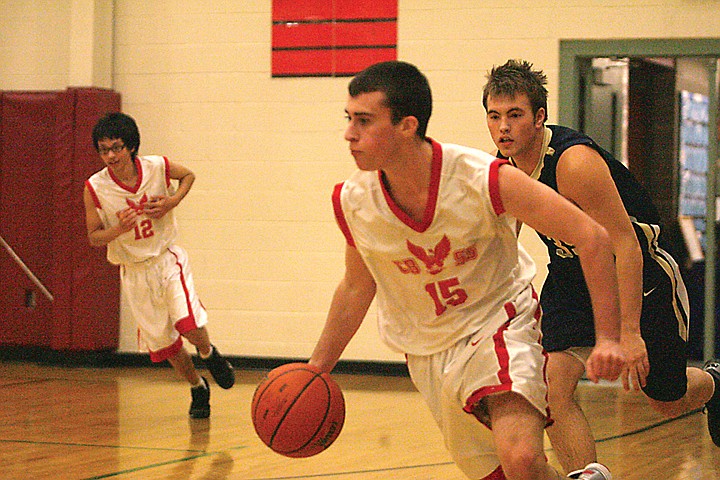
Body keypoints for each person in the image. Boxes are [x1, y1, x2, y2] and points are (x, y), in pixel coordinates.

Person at [308, 60, 625, 480]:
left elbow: (593, 237)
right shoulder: (354, 201)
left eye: (364, 121)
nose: (349, 133)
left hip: (499, 322)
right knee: (505, 474)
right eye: (349, 119)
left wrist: (609, 337)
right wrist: (316, 369)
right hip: (427, 349)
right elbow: (356, 287)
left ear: (407, 126)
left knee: (520, 457)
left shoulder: (482, 177)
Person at [482, 59, 720, 475]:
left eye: (515, 115)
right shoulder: (503, 169)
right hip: (570, 278)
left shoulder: (573, 163)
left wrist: (629, 332)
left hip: (640, 273)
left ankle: (715, 381)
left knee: (666, 400)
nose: (503, 127)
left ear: (539, 117)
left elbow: (625, 245)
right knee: (553, 390)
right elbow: (503, 244)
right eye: (494, 116)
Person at [83, 112, 235, 419]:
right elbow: (94, 237)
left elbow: (188, 175)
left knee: (187, 323)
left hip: (166, 259)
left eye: (116, 147)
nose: (111, 156)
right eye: (104, 150)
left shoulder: (157, 167)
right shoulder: (95, 187)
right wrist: (118, 229)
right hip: (134, 270)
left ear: (131, 146)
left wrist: (172, 201)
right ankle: (197, 386)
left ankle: (209, 353)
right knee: (165, 346)